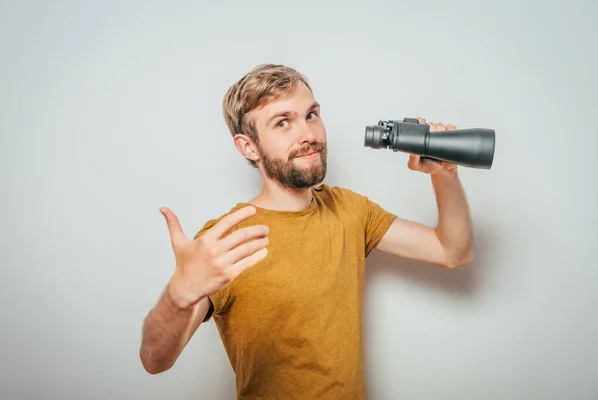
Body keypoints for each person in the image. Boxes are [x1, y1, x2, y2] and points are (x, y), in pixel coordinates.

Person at [139, 64, 474, 399]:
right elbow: (154, 360)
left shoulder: (350, 210)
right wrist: (178, 295)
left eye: (311, 115)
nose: (308, 135)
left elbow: (452, 251)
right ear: (248, 147)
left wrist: (445, 173)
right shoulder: (227, 239)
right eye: (283, 122)